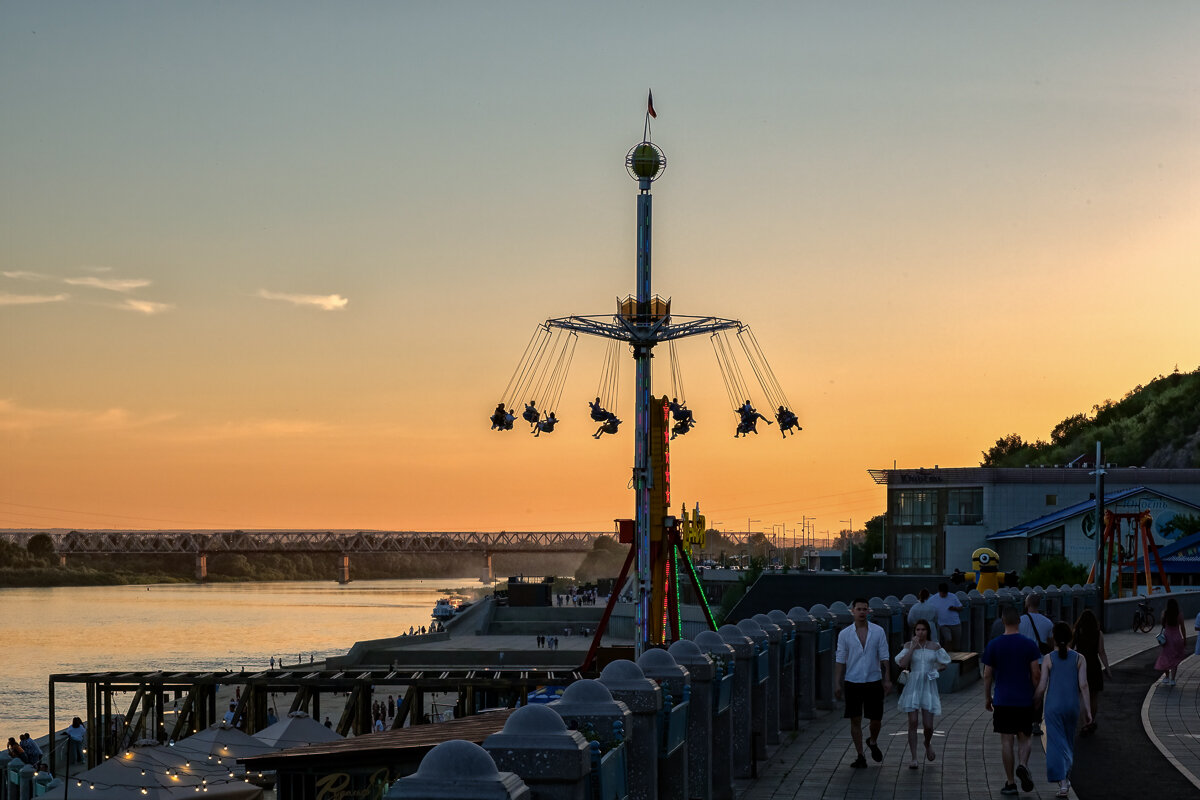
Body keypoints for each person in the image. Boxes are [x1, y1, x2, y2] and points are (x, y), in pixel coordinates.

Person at [982, 607, 1042, 796]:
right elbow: (1035, 674)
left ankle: (1010, 783)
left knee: (1006, 741)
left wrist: (987, 698)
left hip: (1002, 699)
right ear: (1019, 621)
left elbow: (987, 675)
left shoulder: (994, 644)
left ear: (1003, 621)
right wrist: (1037, 695)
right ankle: (1023, 765)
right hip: (1024, 700)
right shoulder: (1029, 644)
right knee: (1025, 738)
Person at [834, 597, 893, 768]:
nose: (862, 612)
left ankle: (872, 741)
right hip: (852, 680)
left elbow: (884, 656)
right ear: (852, 611)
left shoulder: (878, 631)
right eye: (858, 609)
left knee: (876, 719)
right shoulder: (845, 634)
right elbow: (840, 659)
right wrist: (837, 683)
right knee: (855, 719)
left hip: (873, 680)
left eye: (864, 609)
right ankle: (860, 755)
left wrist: (887, 679)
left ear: (868, 611)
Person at [1035, 621, 1092, 798]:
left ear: (1054, 638)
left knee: (1056, 743)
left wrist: (1035, 700)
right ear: (1070, 638)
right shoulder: (1079, 658)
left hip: (1053, 706)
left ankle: (1062, 783)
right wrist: (1088, 711)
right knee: (1068, 742)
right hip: (1071, 706)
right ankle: (1065, 777)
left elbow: (1042, 686)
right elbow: (1083, 685)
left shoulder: (1048, 658)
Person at [895, 619, 951, 769]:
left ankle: (927, 742)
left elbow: (944, 663)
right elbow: (901, 663)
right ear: (914, 631)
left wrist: (936, 670)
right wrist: (913, 647)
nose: (920, 632)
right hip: (913, 683)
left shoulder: (935, 646)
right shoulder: (908, 645)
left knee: (928, 725)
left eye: (923, 630)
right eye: (918, 630)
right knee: (912, 721)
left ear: (928, 631)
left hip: (928, 684)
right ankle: (914, 757)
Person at [1071, 609, 1109, 735]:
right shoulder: (1098, 633)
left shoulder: (1076, 632)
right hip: (1094, 666)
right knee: (1093, 696)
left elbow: (1070, 649)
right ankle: (1090, 721)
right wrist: (1108, 669)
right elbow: (1101, 652)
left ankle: (1084, 723)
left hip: (1080, 666)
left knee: (1082, 696)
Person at [1155, 596, 1188, 686]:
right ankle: (1173, 679)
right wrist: (1184, 639)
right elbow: (1182, 627)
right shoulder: (1179, 614)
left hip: (1167, 638)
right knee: (1175, 659)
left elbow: (1162, 624)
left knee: (1165, 657)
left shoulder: (1164, 613)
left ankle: (1166, 677)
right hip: (1177, 638)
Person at [928, 583, 964, 651]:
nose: (944, 595)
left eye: (945, 593)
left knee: (957, 644)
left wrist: (954, 608)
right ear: (939, 591)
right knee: (948, 639)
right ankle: (947, 656)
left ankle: (955, 657)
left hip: (955, 623)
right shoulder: (933, 599)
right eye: (942, 593)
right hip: (943, 624)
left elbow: (961, 608)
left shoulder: (953, 596)